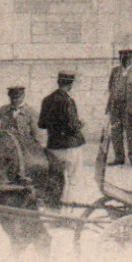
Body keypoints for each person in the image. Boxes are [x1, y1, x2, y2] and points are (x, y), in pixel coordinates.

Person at [36, 71, 84, 202]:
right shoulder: (68, 101)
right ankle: (69, 208)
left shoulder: (47, 100)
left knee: (56, 179)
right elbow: (73, 127)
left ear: (58, 82)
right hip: (71, 147)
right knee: (72, 181)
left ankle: (55, 206)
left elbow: (41, 124)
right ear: (70, 85)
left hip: (53, 147)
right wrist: (81, 124)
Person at [105, 49, 132, 167]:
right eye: (123, 57)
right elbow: (110, 87)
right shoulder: (115, 71)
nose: (125, 60)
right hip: (116, 107)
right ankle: (119, 157)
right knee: (116, 132)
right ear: (120, 58)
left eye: (127, 57)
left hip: (130, 107)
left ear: (131, 58)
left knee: (131, 133)